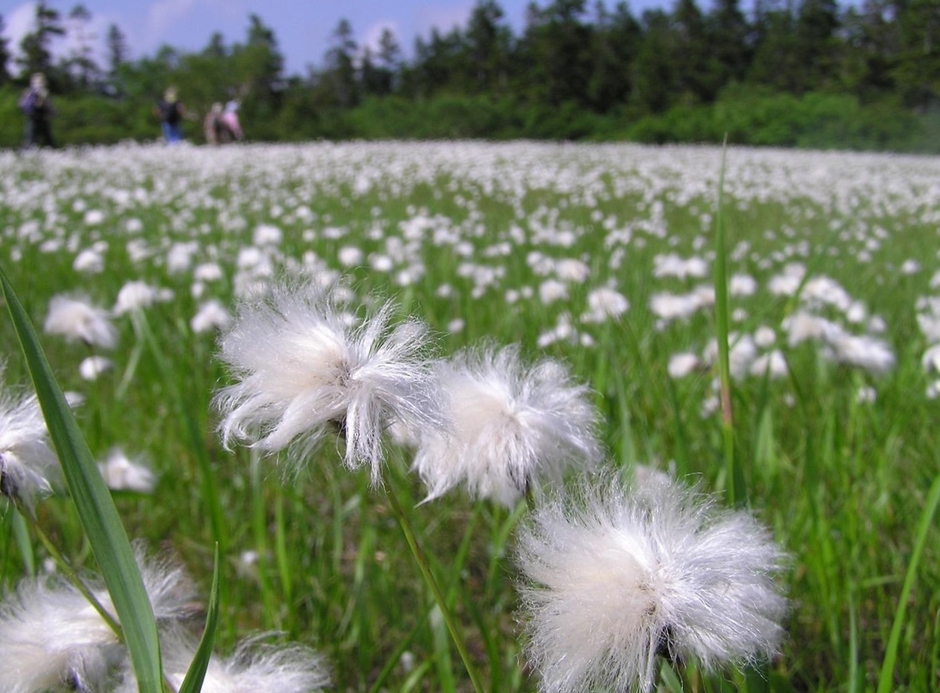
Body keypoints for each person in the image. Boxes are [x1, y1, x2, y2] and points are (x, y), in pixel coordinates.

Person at [19, 73, 55, 148]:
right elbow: (25, 105)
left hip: (42, 119)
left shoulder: (43, 92)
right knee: (30, 140)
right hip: (33, 119)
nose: (40, 83)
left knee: (48, 141)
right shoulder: (29, 93)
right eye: (38, 81)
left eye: (41, 81)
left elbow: (49, 107)